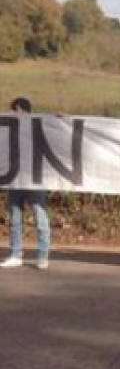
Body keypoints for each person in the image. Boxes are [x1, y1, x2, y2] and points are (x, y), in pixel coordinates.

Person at [1, 97, 51, 270]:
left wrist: (62, 119)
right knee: (15, 219)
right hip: (15, 180)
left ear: (21, 109)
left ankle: (42, 256)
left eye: (15, 110)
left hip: (35, 181)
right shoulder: (10, 130)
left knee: (40, 218)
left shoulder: (40, 125)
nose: (13, 114)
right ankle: (16, 254)